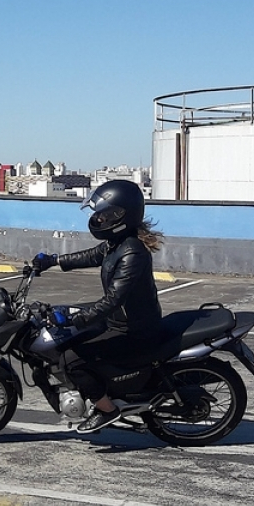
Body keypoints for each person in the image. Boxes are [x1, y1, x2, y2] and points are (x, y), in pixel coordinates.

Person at [33, 179, 164, 434]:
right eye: (99, 214)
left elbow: (113, 300)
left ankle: (107, 410)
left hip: (134, 330)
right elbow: (92, 255)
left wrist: (74, 319)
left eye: (105, 215)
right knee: (70, 339)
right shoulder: (117, 243)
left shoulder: (133, 252)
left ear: (121, 216)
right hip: (119, 321)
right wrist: (54, 260)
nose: (99, 220)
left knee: (72, 360)